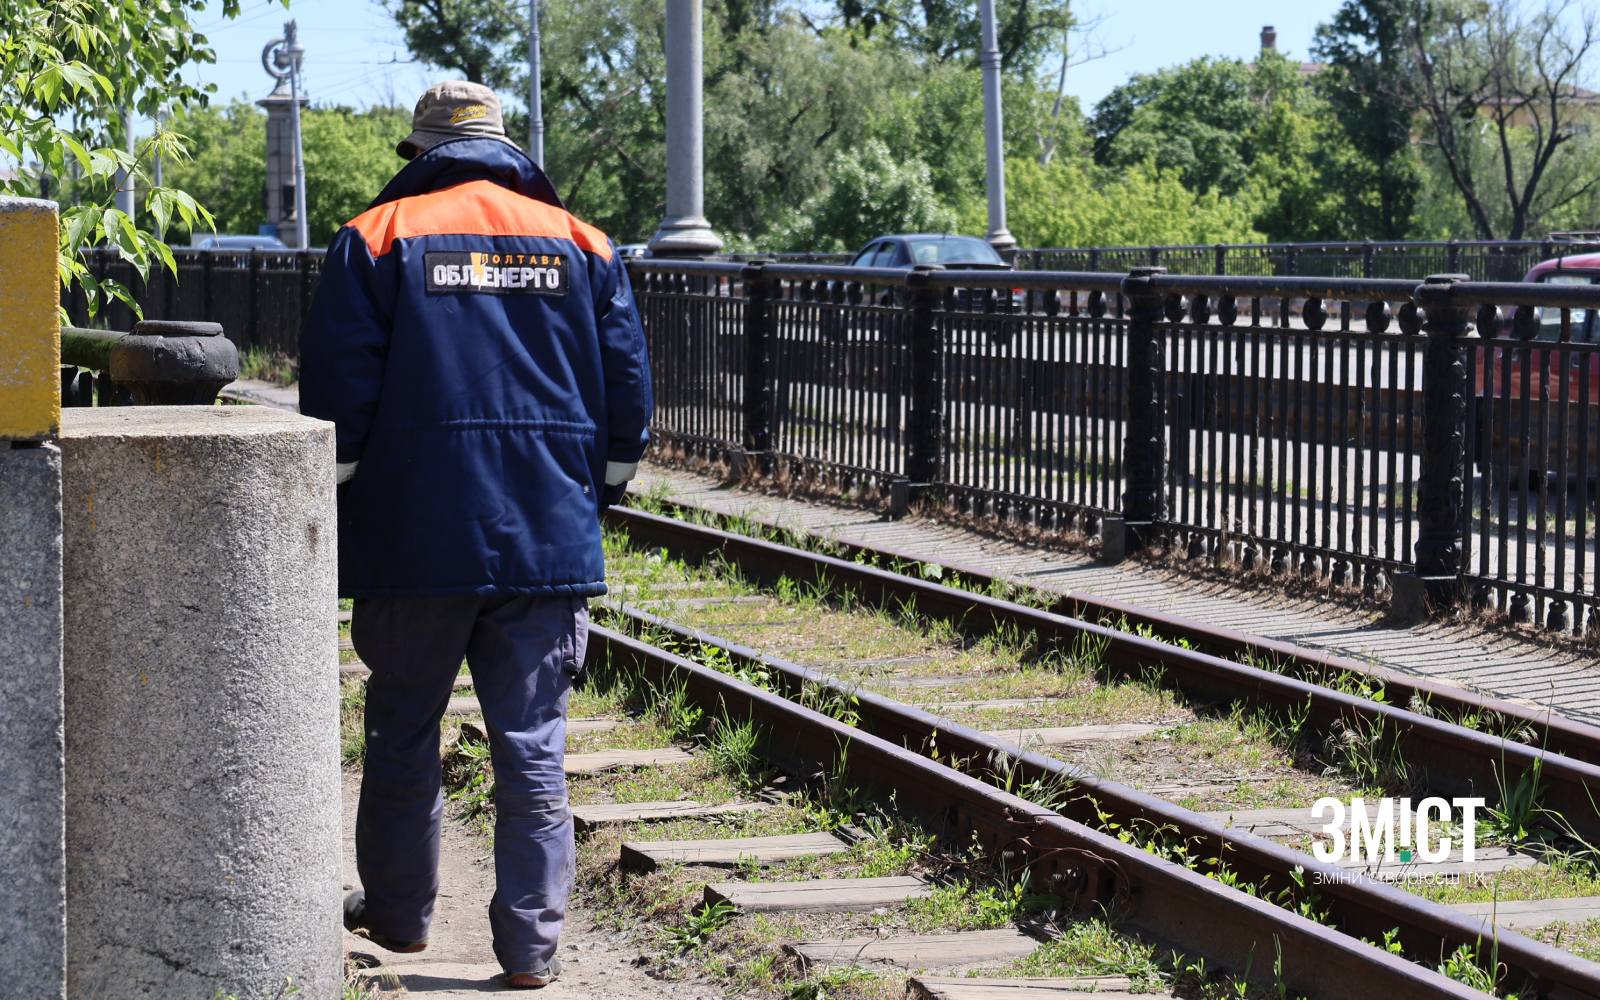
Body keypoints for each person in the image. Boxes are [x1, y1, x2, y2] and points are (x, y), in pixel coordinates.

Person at [298, 80, 652, 989]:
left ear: (419, 152)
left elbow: (337, 395)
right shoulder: (584, 242)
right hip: (545, 535)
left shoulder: (374, 238)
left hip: (413, 536)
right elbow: (628, 399)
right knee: (532, 743)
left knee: (404, 729)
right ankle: (532, 950)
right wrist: (590, 500)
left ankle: (402, 918)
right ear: (508, 148)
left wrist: (349, 508)